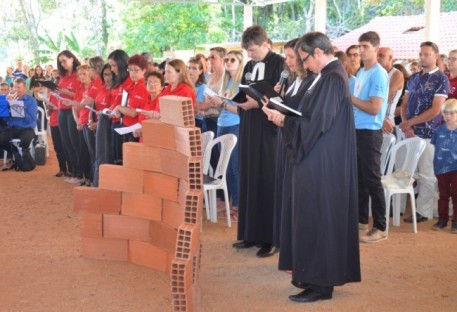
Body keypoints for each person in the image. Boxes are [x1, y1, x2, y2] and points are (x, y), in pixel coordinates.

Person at [262, 31, 360, 303]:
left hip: (323, 163)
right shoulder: (325, 77)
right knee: (312, 217)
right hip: (318, 158)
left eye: (305, 59)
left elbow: (316, 123)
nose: (304, 65)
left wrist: (284, 122)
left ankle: (321, 283)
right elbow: (311, 116)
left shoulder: (332, 78)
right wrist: (285, 116)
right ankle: (311, 277)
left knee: (320, 219)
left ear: (318, 52)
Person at [232, 25, 284, 258]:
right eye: (248, 51)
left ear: (265, 45)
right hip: (250, 128)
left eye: (253, 50)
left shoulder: (280, 64)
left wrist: (259, 104)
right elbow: (245, 90)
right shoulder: (250, 65)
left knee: (267, 180)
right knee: (250, 178)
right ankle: (250, 233)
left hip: (270, 131)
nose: (250, 55)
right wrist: (241, 101)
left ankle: (270, 238)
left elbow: (283, 98)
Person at [270, 38, 316, 254]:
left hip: (299, 145)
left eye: (290, 57)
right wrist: (275, 100)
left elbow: (304, 116)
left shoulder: (312, 81)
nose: (287, 61)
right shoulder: (293, 80)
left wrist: (281, 112)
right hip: (286, 141)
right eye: (286, 57)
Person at [400, 41, 450, 222]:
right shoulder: (413, 78)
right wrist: (406, 124)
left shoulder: (441, 79)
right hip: (409, 132)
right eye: (421, 54)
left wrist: (410, 123)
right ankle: (398, 208)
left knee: (427, 174)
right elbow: (404, 104)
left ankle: (423, 211)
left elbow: (436, 110)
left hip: (429, 134)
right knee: (405, 172)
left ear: (436, 56)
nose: (422, 57)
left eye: (427, 54)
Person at [352, 31, 389, 243]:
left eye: (365, 46)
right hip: (358, 130)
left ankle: (380, 227)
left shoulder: (378, 74)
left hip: (370, 133)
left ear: (376, 48)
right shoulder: (362, 71)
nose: (361, 50)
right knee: (360, 179)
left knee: (373, 180)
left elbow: (375, 108)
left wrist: (351, 99)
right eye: (360, 46)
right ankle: (361, 221)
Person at [207, 50, 245, 221]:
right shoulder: (227, 81)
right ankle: (232, 203)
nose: (228, 62)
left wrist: (221, 103)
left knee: (235, 167)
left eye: (233, 60)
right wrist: (218, 102)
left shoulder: (242, 83)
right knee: (225, 168)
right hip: (222, 124)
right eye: (227, 59)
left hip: (235, 125)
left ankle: (238, 205)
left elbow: (240, 110)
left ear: (240, 63)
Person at [55, 50, 82, 183]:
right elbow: (61, 91)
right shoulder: (63, 75)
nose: (63, 63)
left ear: (72, 58)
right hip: (61, 110)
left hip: (73, 110)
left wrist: (68, 93)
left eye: (64, 60)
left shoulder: (79, 75)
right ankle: (72, 171)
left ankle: (80, 172)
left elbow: (81, 95)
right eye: (61, 62)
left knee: (74, 142)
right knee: (66, 143)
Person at [431, 99, 457, 233]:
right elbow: (436, 148)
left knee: (456, 194)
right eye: (445, 113)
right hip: (441, 167)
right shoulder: (439, 131)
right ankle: (442, 219)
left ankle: (456, 222)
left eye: (452, 113)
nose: (448, 116)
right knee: (443, 194)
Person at [0, 78, 37, 171]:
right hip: (12, 127)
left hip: (26, 128)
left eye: (19, 87)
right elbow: (6, 119)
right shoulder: (7, 99)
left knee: (25, 141)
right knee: (2, 140)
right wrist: (7, 106)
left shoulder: (31, 101)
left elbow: (30, 120)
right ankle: (16, 153)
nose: (16, 90)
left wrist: (21, 109)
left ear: (25, 88)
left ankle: (22, 158)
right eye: (15, 87)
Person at [113, 54, 150, 143]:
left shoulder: (142, 88)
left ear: (144, 70)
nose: (132, 73)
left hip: (135, 131)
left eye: (136, 70)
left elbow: (133, 113)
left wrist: (118, 108)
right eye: (130, 70)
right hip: (126, 126)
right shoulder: (132, 85)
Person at [377, 47, 404, 134]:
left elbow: (384, 98)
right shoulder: (377, 73)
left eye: (381, 56)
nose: (378, 58)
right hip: (375, 120)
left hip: (387, 124)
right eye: (377, 55)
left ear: (390, 58)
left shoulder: (396, 74)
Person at [187, 57, 207, 131]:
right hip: (186, 119)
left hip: (197, 121)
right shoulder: (184, 86)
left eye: (194, 68)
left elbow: (196, 106)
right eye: (189, 68)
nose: (190, 71)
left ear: (200, 71)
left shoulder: (203, 87)